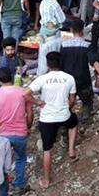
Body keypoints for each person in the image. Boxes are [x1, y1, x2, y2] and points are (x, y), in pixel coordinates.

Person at [25, 52, 79, 189]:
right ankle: (71, 150)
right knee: (73, 122)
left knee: (47, 149)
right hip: (64, 116)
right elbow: (72, 100)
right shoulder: (69, 78)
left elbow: (25, 94)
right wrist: (67, 108)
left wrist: (37, 102)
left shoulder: (42, 79)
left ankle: (47, 180)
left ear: (48, 64)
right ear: (60, 63)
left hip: (47, 118)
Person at [58, 19, 94, 122]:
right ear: (83, 30)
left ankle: (65, 118)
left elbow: (61, 61)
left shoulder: (64, 45)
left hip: (67, 78)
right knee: (87, 101)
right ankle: (86, 118)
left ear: (71, 29)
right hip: (83, 78)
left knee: (67, 101)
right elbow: (91, 62)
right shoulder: (87, 45)